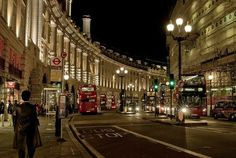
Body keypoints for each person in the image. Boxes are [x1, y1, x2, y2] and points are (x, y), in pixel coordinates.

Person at [13, 90, 42, 158]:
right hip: (30, 129)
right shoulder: (33, 107)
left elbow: (15, 119)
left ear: (22, 97)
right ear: (29, 97)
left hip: (20, 129)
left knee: (21, 146)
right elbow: (34, 119)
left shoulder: (18, 107)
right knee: (30, 145)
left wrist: (16, 128)